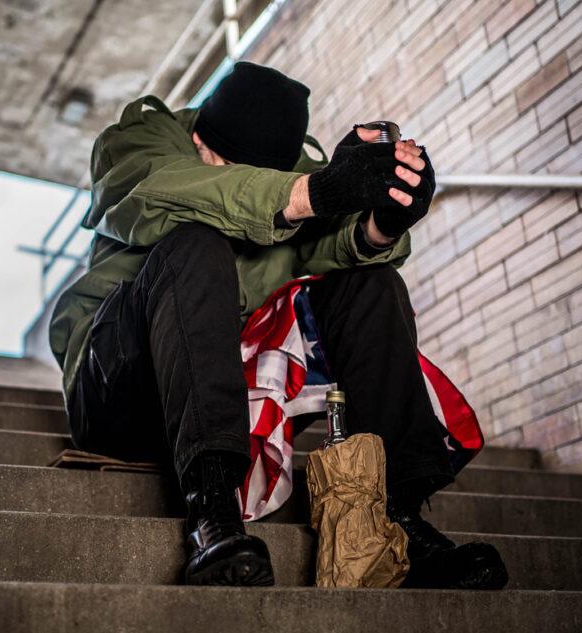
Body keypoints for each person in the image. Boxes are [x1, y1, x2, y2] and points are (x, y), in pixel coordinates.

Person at [49, 62, 508, 589]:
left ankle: (397, 518)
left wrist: (382, 222)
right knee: (196, 242)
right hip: (119, 391)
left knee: (368, 281)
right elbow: (165, 193)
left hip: (229, 394)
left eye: (270, 175)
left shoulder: (297, 169)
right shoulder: (140, 141)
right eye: (228, 165)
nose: (250, 183)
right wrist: (309, 194)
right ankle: (211, 514)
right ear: (200, 141)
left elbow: (332, 245)